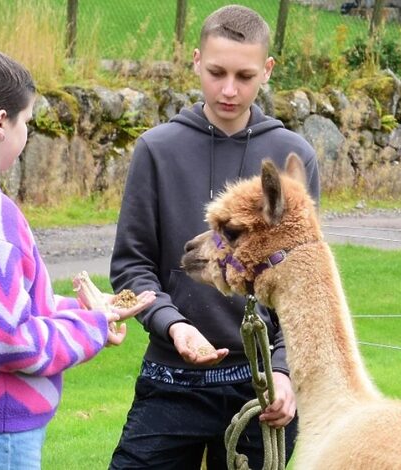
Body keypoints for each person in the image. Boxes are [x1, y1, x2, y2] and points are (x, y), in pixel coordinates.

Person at [0, 48, 155, 470]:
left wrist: (85, 309)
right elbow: (4, 341)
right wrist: (90, 328)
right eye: (27, 123)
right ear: (1, 123)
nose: (26, 134)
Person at [109, 5, 321, 469]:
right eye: (216, 72)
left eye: (245, 76)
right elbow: (131, 265)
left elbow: (303, 284)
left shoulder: (293, 155)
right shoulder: (157, 150)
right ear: (195, 60)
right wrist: (173, 324)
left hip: (262, 387)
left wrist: (285, 372)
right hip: (172, 379)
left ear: (267, 70)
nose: (229, 89)